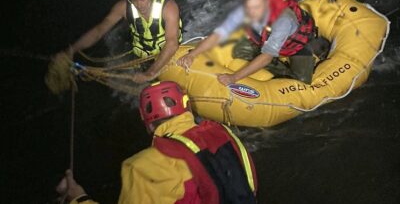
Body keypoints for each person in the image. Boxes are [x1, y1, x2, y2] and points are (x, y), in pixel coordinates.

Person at [57, 81, 258, 204]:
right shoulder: (224, 134)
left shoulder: (144, 166)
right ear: (187, 108)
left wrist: (77, 197)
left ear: (147, 124)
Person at [177, 0, 329, 85]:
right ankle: (279, 64)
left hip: (295, 46)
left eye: (257, 7)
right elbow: (218, 35)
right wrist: (192, 54)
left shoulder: (283, 19)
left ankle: (313, 54)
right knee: (239, 50)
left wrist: (233, 77)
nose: (251, 13)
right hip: (266, 39)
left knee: (301, 82)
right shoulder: (245, 11)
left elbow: (266, 57)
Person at [56, 0, 182, 83]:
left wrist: (150, 73)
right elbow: (98, 31)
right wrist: (71, 50)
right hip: (144, 57)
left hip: (170, 52)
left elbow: (172, 43)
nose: (139, 5)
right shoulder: (123, 7)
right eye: (134, 0)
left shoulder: (168, 7)